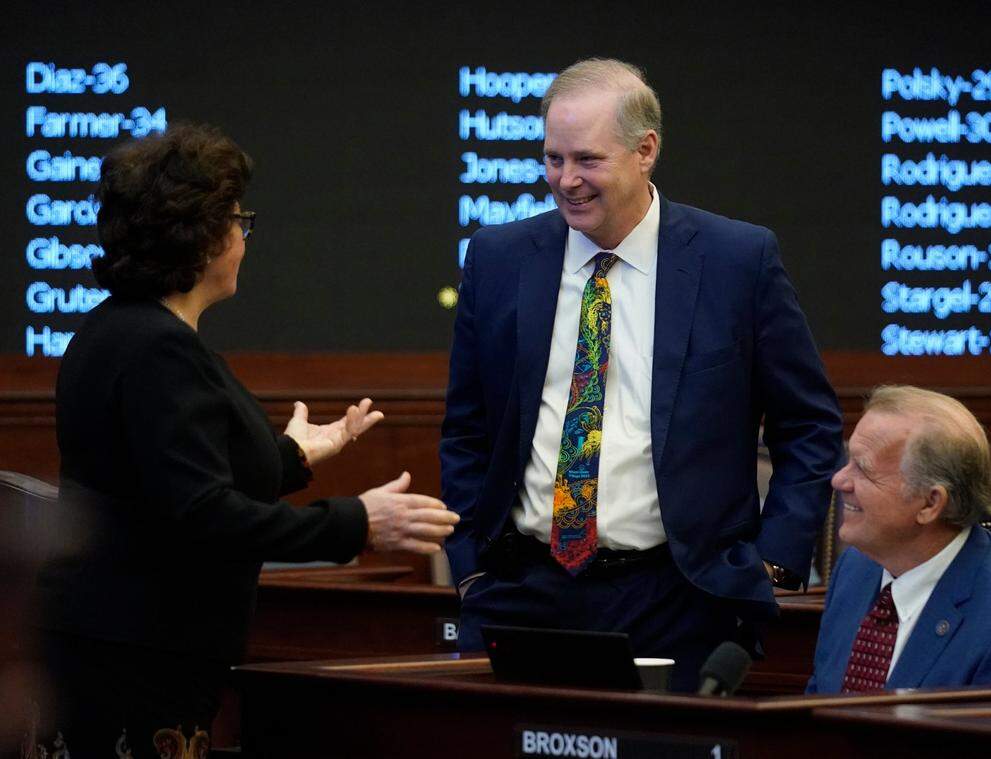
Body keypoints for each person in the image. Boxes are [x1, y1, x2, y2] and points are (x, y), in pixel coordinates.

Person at [34, 124, 459, 757]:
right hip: (140, 664)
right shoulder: (158, 351)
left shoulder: (115, 330)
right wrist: (357, 524)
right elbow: (204, 515)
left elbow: (165, 480)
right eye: (237, 220)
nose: (243, 237)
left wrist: (291, 456)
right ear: (200, 235)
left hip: (116, 649)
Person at [441, 58, 843, 690]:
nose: (566, 180)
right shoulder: (497, 259)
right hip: (521, 590)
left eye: (587, 160)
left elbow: (810, 427)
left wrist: (772, 566)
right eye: (553, 159)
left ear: (645, 150)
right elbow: (466, 432)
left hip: (682, 597)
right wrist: (469, 567)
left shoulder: (737, 261)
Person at [806, 386, 991, 694]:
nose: (839, 480)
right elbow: (817, 704)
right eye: (848, 461)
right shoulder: (855, 569)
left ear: (929, 504)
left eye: (863, 469)